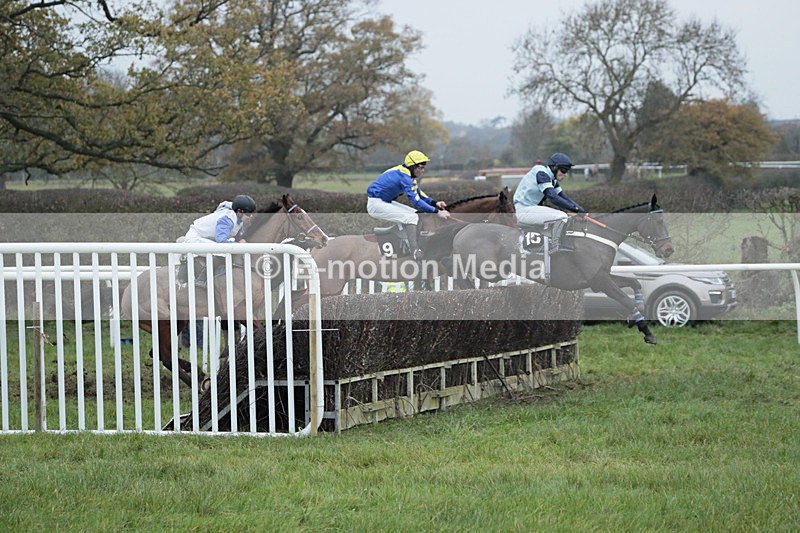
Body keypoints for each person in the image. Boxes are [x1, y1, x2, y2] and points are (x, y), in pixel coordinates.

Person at [366, 150, 449, 260]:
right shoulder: (404, 177)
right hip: (376, 204)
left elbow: (419, 194)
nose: (422, 171)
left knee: (416, 214)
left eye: (423, 167)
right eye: (420, 167)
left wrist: (435, 203)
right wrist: (436, 212)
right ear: (412, 166)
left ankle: (409, 241)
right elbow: (416, 201)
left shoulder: (408, 174)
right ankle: (414, 251)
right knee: (412, 217)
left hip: (383, 202)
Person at [513, 152, 586, 253]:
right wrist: (576, 209)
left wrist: (581, 210)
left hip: (531, 209)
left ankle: (547, 245)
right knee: (561, 216)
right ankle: (554, 247)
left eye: (567, 171)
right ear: (555, 167)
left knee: (561, 217)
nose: (565, 174)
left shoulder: (552, 179)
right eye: (564, 170)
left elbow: (563, 197)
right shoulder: (542, 174)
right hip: (523, 210)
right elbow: (553, 197)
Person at [182, 194, 257, 287]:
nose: (251, 216)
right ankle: (201, 279)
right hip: (195, 238)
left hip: (205, 238)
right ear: (239, 211)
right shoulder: (228, 219)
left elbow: (237, 236)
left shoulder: (238, 219)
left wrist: (240, 241)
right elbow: (221, 242)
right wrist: (238, 244)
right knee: (221, 252)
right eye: (248, 214)